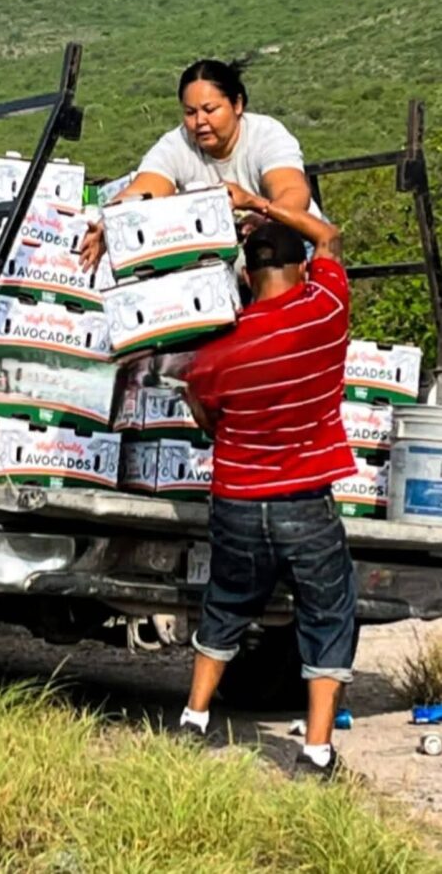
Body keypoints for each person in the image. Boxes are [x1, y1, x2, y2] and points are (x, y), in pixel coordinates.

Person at [180, 204, 357, 781]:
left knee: (227, 605)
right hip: (305, 501)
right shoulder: (324, 310)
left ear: (247, 276)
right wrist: (258, 203)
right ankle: (316, 753)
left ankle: (193, 719)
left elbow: (209, 420)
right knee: (326, 615)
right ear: (299, 269)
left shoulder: (220, 350)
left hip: (236, 501)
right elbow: (328, 236)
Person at [79, 58, 321, 272]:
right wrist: (108, 222)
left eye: (210, 110)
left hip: (291, 243)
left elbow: (293, 193)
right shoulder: (176, 144)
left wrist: (263, 216)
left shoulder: (266, 135)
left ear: (237, 105)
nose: (200, 121)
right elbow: (144, 189)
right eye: (190, 112)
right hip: (223, 256)